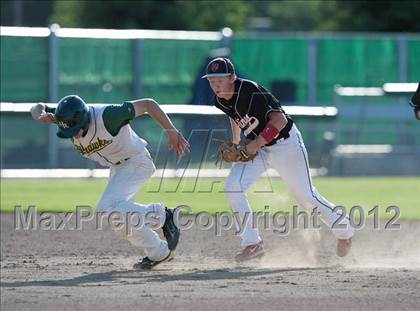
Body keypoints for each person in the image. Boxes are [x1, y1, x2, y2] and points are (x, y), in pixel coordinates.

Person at [202, 57, 354, 262]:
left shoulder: (251, 91)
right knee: (233, 186)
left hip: (286, 144)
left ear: (232, 77)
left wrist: (254, 145)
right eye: (211, 80)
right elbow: (234, 115)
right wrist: (237, 141)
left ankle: (345, 231)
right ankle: (252, 243)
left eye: (219, 80)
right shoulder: (220, 100)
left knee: (306, 197)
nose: (215, 85)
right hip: (259, 146)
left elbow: (280, 120)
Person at [30, 95, 190, 269]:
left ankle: (165, 215)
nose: (73, 135)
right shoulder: (66, 117)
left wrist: (171, 131)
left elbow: (148, 105)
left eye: (74, 129)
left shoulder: (108, 116)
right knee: (120, 221)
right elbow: (38, 106)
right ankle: (159, 252)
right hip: (118, 169)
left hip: (136, 161)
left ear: (84, 120)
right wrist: (41, 114)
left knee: (105, 207)